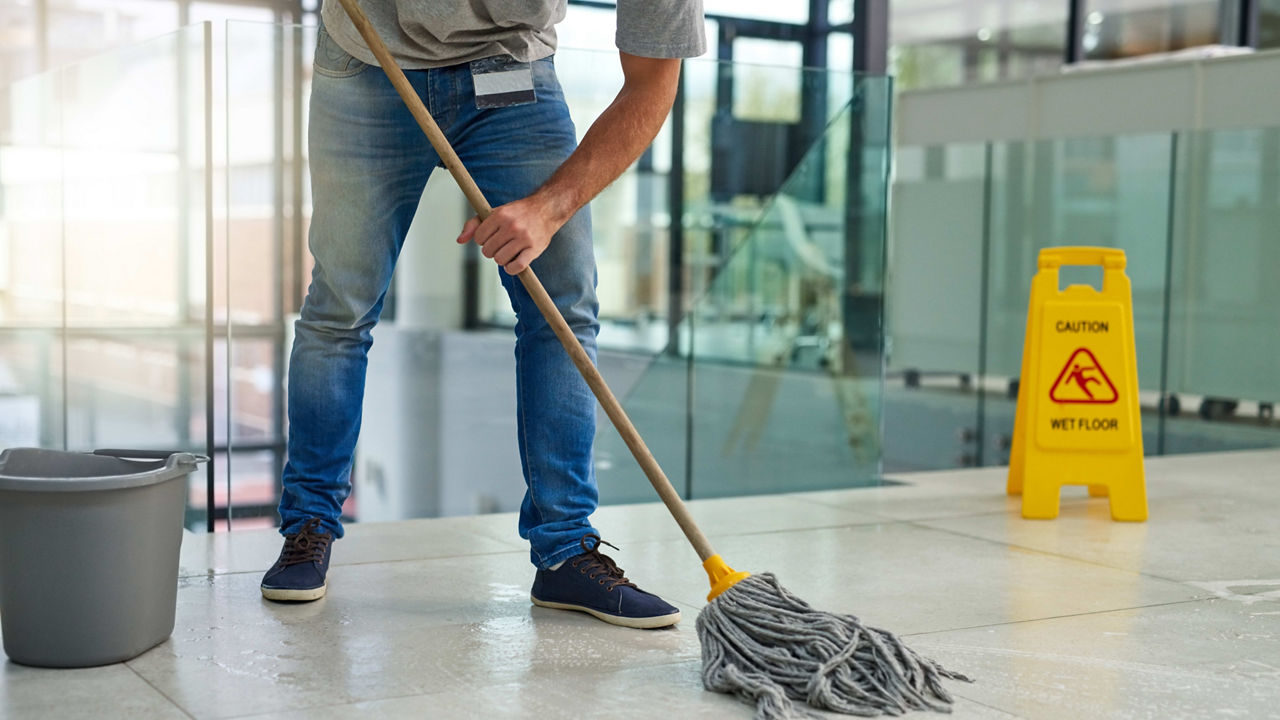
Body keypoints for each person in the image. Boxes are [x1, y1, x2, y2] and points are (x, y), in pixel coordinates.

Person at [258, 0, 705, 630]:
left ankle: (567, 553)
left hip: (508, 71)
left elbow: (653, 85)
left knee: (562, 311)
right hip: (366, 62)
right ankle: (308, 526)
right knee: (340, 307)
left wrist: (549, 209)